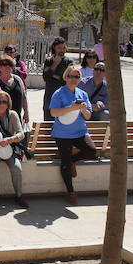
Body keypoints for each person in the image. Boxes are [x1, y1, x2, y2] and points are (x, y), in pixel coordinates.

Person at [49, 65, 98, 206]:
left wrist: (83, 109)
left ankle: (71, 161)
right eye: (71, 76)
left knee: (92, 151)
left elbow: (88, 116)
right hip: (62, 133)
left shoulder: (82, 94)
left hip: (80, 131)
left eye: (77, 76)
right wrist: (71, 108)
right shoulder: (58, 93)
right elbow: (53, 113)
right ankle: (71, 192)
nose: (73, 79)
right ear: (66, 77)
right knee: (64, 163)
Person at [42, 37, 73, 121]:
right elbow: (45, 77)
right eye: (59, 48)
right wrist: (55, 64)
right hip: (50, 95)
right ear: (54, 48)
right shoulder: (49, 61)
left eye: (63, 48)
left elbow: (66, 79)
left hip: (64, 95)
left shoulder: (69, 62)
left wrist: (52, 74)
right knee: (48, 122)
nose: (62, 50)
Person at [0, 56, 29, 125]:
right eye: (4, 64)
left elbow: (24, 97)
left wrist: (26, 113)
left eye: (10, 64)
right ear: (0, 67)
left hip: (16, 119)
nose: (7, 66)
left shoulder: (18, 79)